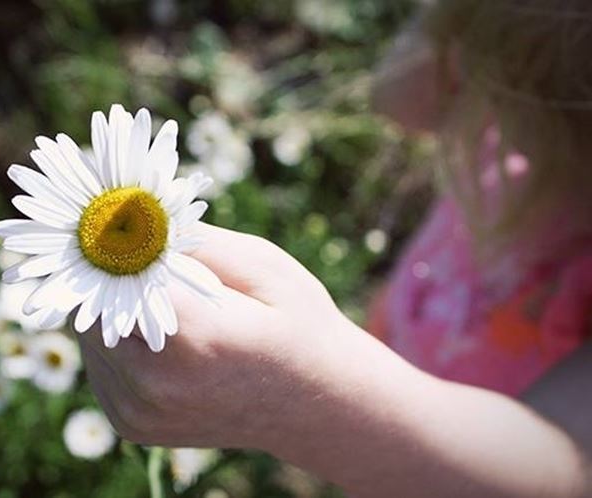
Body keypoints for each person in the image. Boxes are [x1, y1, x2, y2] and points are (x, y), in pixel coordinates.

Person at [77, 1, 592, 496]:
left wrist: (303, 404)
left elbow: (566, 471)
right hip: (383, 391)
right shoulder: (510, 131)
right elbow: (401, 93)